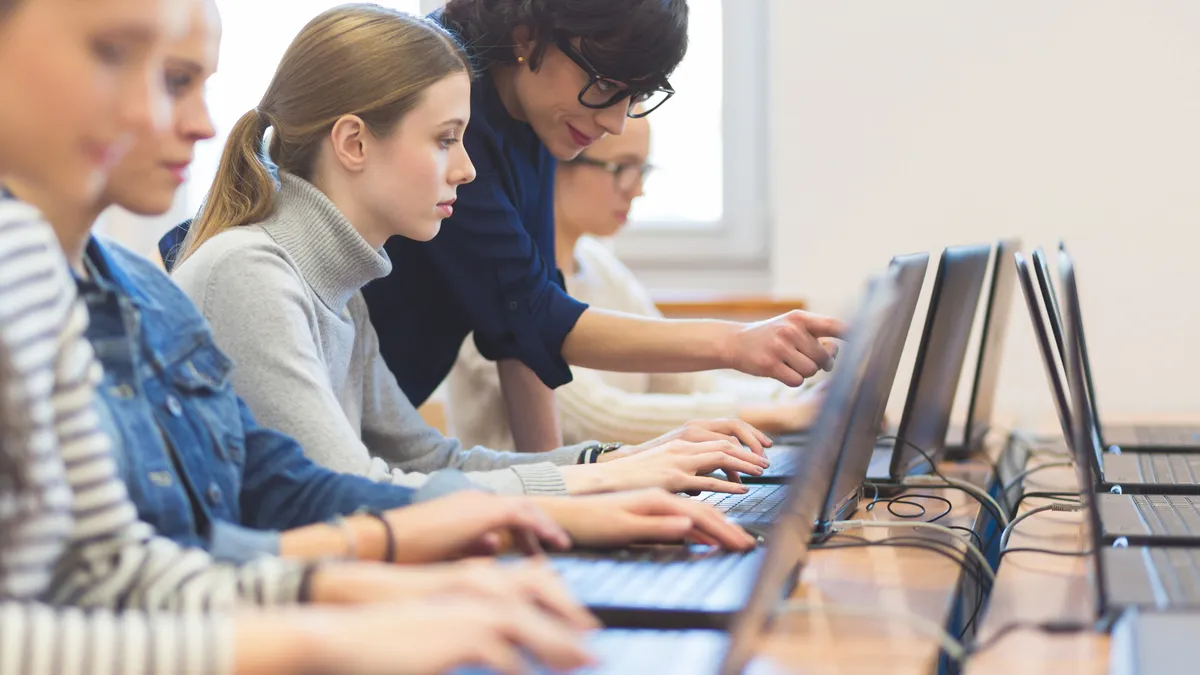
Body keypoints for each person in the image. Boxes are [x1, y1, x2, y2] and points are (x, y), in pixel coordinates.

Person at [7, 2, 757, 572]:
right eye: (444, 139)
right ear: (354, 141)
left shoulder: (337, 287)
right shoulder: (246, 273)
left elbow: (413, 467)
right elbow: (341, 495)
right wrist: (581, 496)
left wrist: (604, 472)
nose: (465, 169)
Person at [0, 0, 594, 672]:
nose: (187, 122)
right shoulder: (240, 272)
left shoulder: (79, 272)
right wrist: (329, 622)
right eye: (116, 57)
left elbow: (124, 570)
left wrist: (352, 580)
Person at [161, 0, 845, 455]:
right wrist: (733, 345)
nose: (613, 121)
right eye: (609, 85)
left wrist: (582, 486)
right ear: (528, 40)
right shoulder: (257, 278)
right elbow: (538, 318)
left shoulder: (355, 297)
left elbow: (520, 341)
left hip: (367, 457)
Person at [449, 115, 830, 449]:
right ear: (557, 163)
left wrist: (804, 393)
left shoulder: (600, 265)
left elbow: (687, 386)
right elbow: (597, 420)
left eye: (642, 169)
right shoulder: (497, 278)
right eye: (621, 168)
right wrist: (785, 416)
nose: (638, 188)